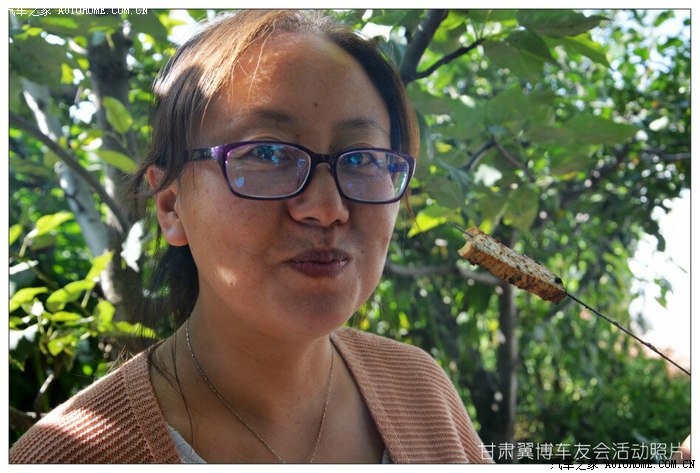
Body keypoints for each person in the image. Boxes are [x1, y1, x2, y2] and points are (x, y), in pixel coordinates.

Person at [10, 10, 490, 464]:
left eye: (363, 158)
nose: (326, 209)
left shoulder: (420, 391)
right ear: (172, 207)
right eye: (267, 153)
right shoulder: (70, 455)